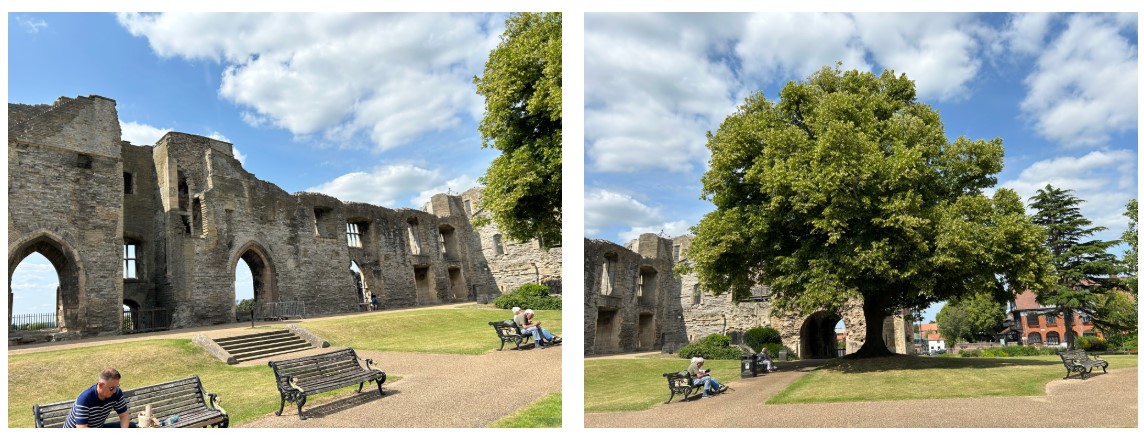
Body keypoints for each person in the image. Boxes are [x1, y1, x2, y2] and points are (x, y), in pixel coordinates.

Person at [64, 368, 133, 428]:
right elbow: (81, 428)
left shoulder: (116, 393)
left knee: (131, 426)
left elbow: (124, 416)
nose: (115, 391)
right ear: (100, 385)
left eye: (117, 386)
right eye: (111, 388)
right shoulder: (85, 399)